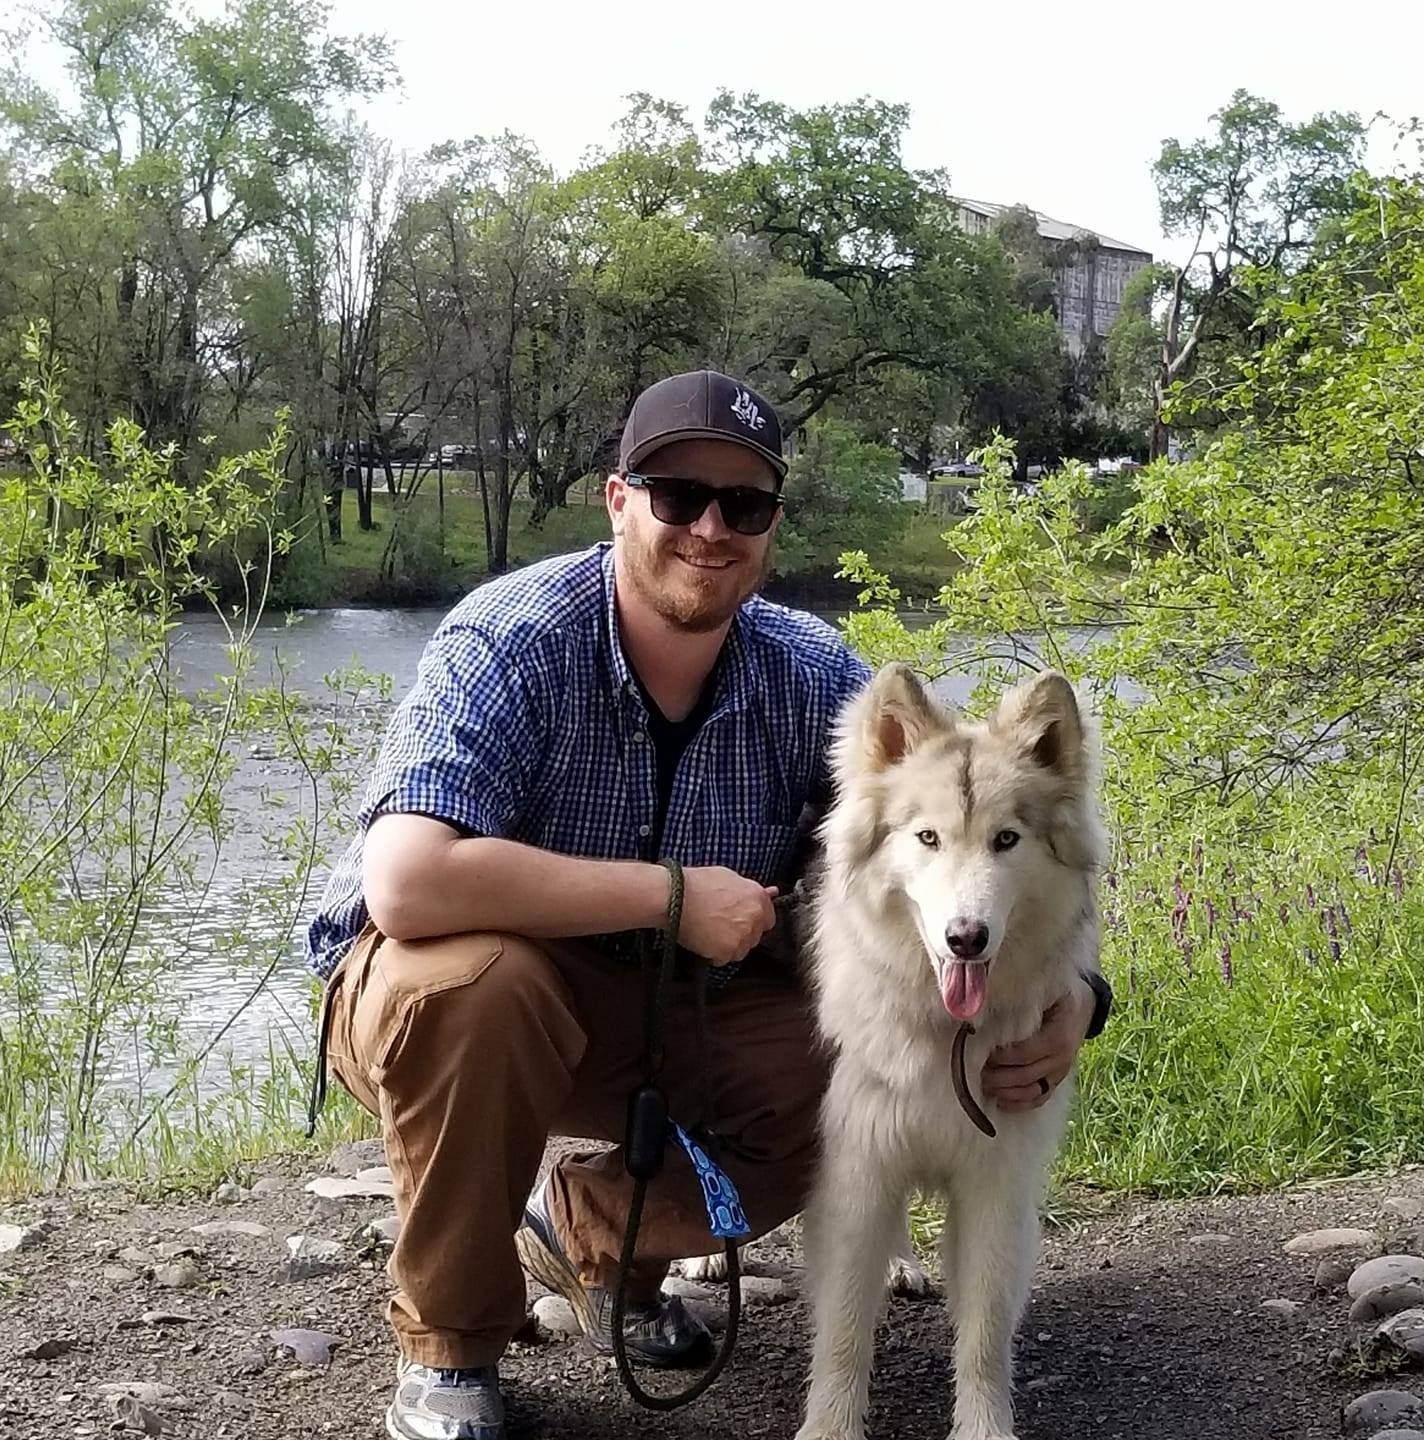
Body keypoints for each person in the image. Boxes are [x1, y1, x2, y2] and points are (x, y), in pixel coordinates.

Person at [305, 370, 1109, 1440]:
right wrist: (672, 897)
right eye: (677, 495)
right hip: (463, 994)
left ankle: (584, 1234)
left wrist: (1073, 999)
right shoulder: (511, 638)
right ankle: (449, 1352)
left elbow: (949, 834)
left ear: (771, 522)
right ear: (617, 500)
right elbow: (406, 883)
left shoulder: (808, 671)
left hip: (676, 1007)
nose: (710, 528)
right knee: (478, 986)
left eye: (745, 504)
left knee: (833, 1079)